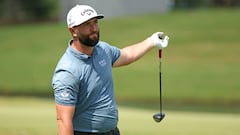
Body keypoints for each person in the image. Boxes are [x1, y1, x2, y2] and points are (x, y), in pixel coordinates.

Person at [52, 4, 169, 135]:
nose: (94, 28)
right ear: (73, 31)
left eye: (95, 22)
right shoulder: (67, 71)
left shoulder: (103, 50)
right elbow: (63, 120)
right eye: (87, 24)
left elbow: (127, 55)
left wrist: (152, 41)